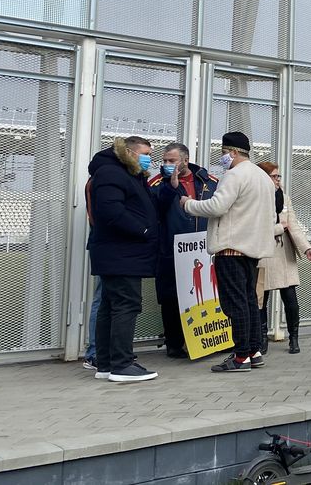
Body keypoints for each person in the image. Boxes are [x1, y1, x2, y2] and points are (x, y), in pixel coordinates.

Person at [182, 132, 277, 372]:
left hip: (231, 248)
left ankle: (241, 356)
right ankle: (254, 351)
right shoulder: (263, 178)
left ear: (233, 152)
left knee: (235, 304)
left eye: (224, 152)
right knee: (249, 301)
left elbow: (217, 206)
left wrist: (188, 204)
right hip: (253, 250)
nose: (223, 157)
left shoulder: (234, 175)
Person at [86, 136, 160, 383]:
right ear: (129, 152)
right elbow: (110, 211)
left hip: (122, 253)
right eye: (145, 153)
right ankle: (122, 364)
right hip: (121, 253)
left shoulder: (129, 174)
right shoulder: (111, 173)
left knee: (111, 306)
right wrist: (143, 230)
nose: (149, 158)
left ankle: (106, 364)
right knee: (126, 305)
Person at [148, 142, 217, 359]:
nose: (167, 164)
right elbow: (154, 210)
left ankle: (206, 340)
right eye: (164, 161)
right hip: (171, 248)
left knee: (204, 295)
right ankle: (174, 343)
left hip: (203, 250)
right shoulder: (157, 183)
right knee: (171, 298)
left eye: (172, 160)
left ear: (185, 160)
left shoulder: (209, 182)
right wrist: (171, 187)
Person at [255, 162, 311, 355]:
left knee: (290, 299)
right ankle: (261, 339)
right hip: (263, 253)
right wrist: (278, 228)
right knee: (261, 299)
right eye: (274, 176)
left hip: (283, 253)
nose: (278, 180)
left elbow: (293, 226)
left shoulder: (284, 198)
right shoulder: (254, 198)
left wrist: (307, 248)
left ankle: (294, 338)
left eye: (278, 176)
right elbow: (257, 228)